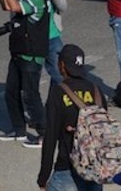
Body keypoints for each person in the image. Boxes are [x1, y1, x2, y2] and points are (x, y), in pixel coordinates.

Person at [0, 0, 54, 148]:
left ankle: (44, 133)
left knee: (31, 96)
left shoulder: (39, 0)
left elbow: (14, 6)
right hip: (19, 53)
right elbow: (7, 6)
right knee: (11, 92)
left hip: (32, 55)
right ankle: (19, 129)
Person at [37, 44, 106, 191]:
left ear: (62, 65)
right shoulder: (96, 91)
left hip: (66, 170)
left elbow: (50, 138)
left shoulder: (58, 92)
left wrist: (43, 178)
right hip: (94, 170)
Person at [14, 0, 69, 84]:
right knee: (31, 77)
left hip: (52, 37)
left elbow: (63, 7)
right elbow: (15, 10)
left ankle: (57, 101)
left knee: (59, 73)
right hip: (32, 41)